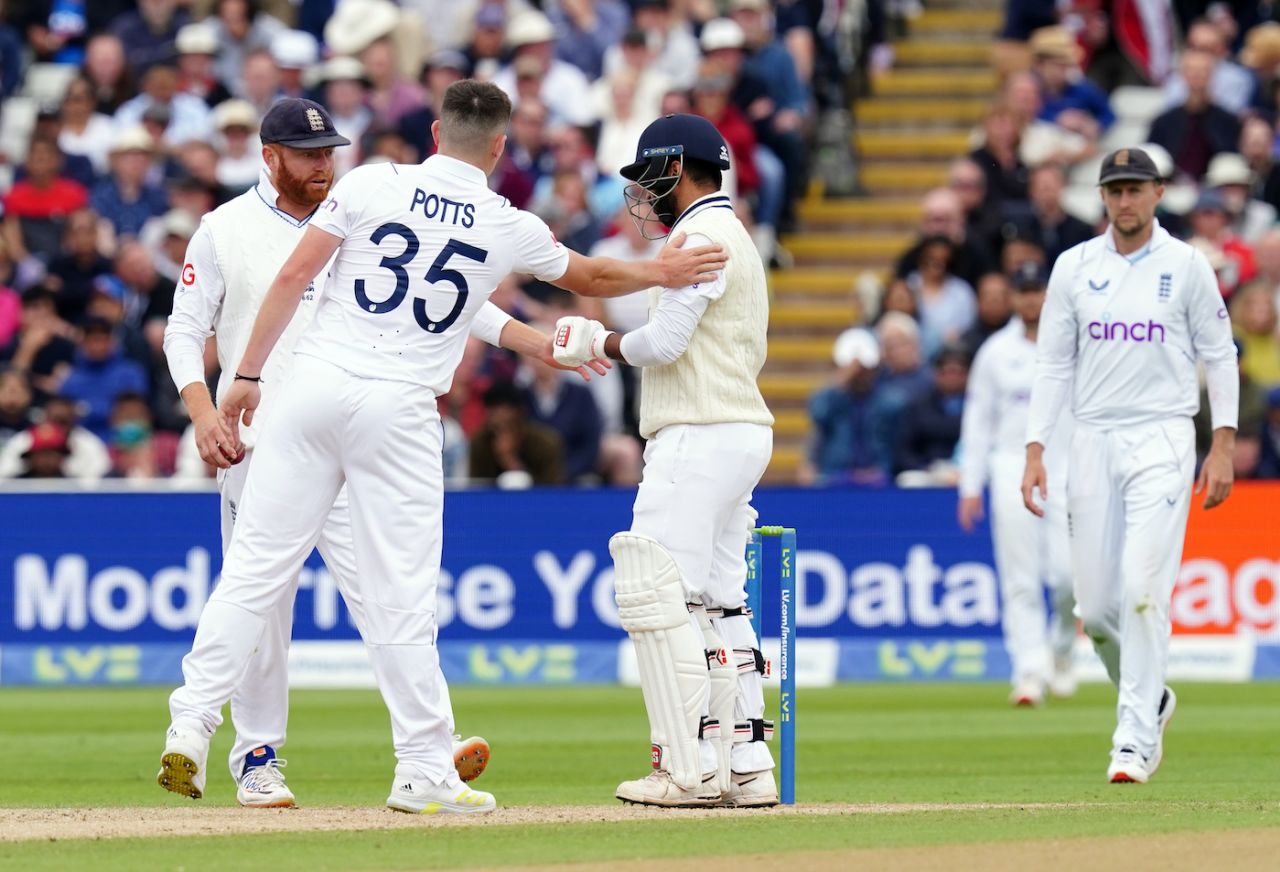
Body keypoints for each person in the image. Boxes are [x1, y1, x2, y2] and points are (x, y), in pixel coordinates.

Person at [158, 81, 724, 814]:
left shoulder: (371, 182)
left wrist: (244, 379)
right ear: (499, 147)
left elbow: (300, 274)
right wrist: (661, 271)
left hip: (308, 390)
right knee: (401, 596)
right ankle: (423, 766)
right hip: (395, 408)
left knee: (252, 575)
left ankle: (190, 723)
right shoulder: (503, 221)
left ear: (433, 132)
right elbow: (588, 275)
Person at [161, 98, 497, 808]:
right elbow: (183, 332)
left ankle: (429, 749)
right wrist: (201, 413)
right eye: (307, 154)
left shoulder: (361, 212)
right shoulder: (225, 228)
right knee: (262, 602)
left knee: (391, 598)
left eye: (329, 152)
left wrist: (537, 338)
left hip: (355, 436)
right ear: (269, 155)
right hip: (259, 440)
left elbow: (460, 299)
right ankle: (256, 758)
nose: (323, 165)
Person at [552, 114, 776, 808]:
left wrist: (600, 342)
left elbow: (664, 343)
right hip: (737, 427)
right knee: (717, 599)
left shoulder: (700, 235)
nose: (643, 195)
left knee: (656, 590)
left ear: (678, 170)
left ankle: (685, 767)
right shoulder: (729, 231)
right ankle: (743, 762)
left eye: (650, 178)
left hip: (697, 430)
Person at [1022, 147, 1239, 784]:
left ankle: (1134, 736)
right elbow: (1054, 364)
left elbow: (1220, 355)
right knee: (1097, 607)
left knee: (1145, 593)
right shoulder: (1074, 267)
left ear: (1158, 193)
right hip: (1090, 439)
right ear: (1103, 197)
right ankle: (1153, 697)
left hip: (1163, 439)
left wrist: (1221, 443)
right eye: (1114, 190)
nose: (1125, 201)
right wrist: (1036, 449)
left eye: (1135, 190)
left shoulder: (1187, 266)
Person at [959, 264, 1076, 707]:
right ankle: (1029, 669)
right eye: (1023, 291)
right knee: (1020, 578)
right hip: (1010, 469)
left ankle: (1062, 649)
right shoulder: (995, 352)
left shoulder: (1071, 345)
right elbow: (978, 421)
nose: (1031, 300)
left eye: (1037, 291)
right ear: (1013, 298)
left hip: (1065, 468)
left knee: (1068, 578)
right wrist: (970, 484)